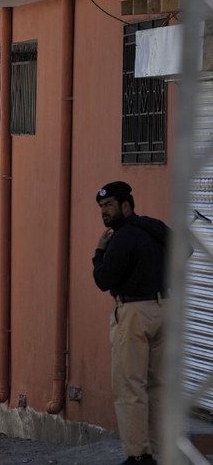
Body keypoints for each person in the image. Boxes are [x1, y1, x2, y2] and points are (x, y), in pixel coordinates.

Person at [92, 181, 169, 465]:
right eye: (102, 207)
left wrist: (99, 252)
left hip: (134, 314)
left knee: (130, 386)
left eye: (109, 205)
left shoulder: (121, 238)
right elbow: (185, 252)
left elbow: (103, 280)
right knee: (157, 384)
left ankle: (139, 455)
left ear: (126, 205)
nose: (104, 211)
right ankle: (158, 448)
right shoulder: (154, 227)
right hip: (164, 308)